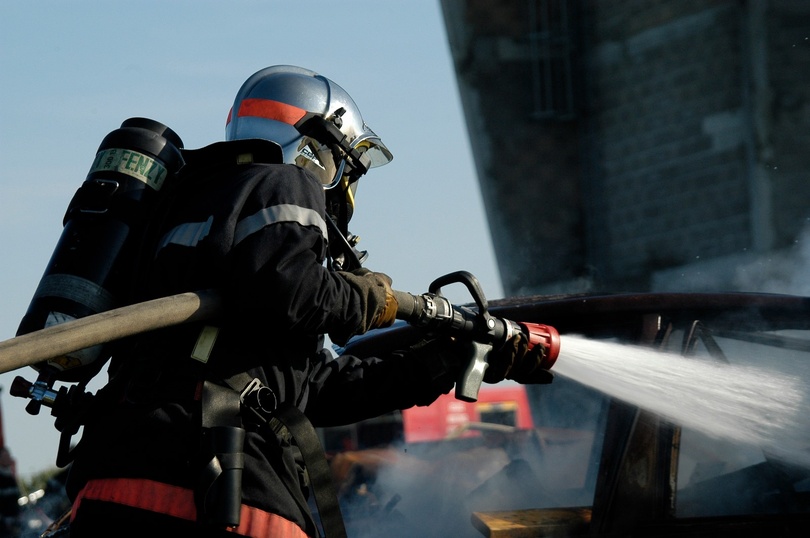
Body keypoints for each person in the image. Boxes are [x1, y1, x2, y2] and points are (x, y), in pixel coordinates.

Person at [61, 65, 552, 537]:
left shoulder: (184, 208)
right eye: (344, 166)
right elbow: (288, 288)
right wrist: (367, 298)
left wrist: (446, 360)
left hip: (111, 480)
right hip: (218, 492)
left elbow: (314, 389)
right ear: (316, 149)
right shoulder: (282, 181)